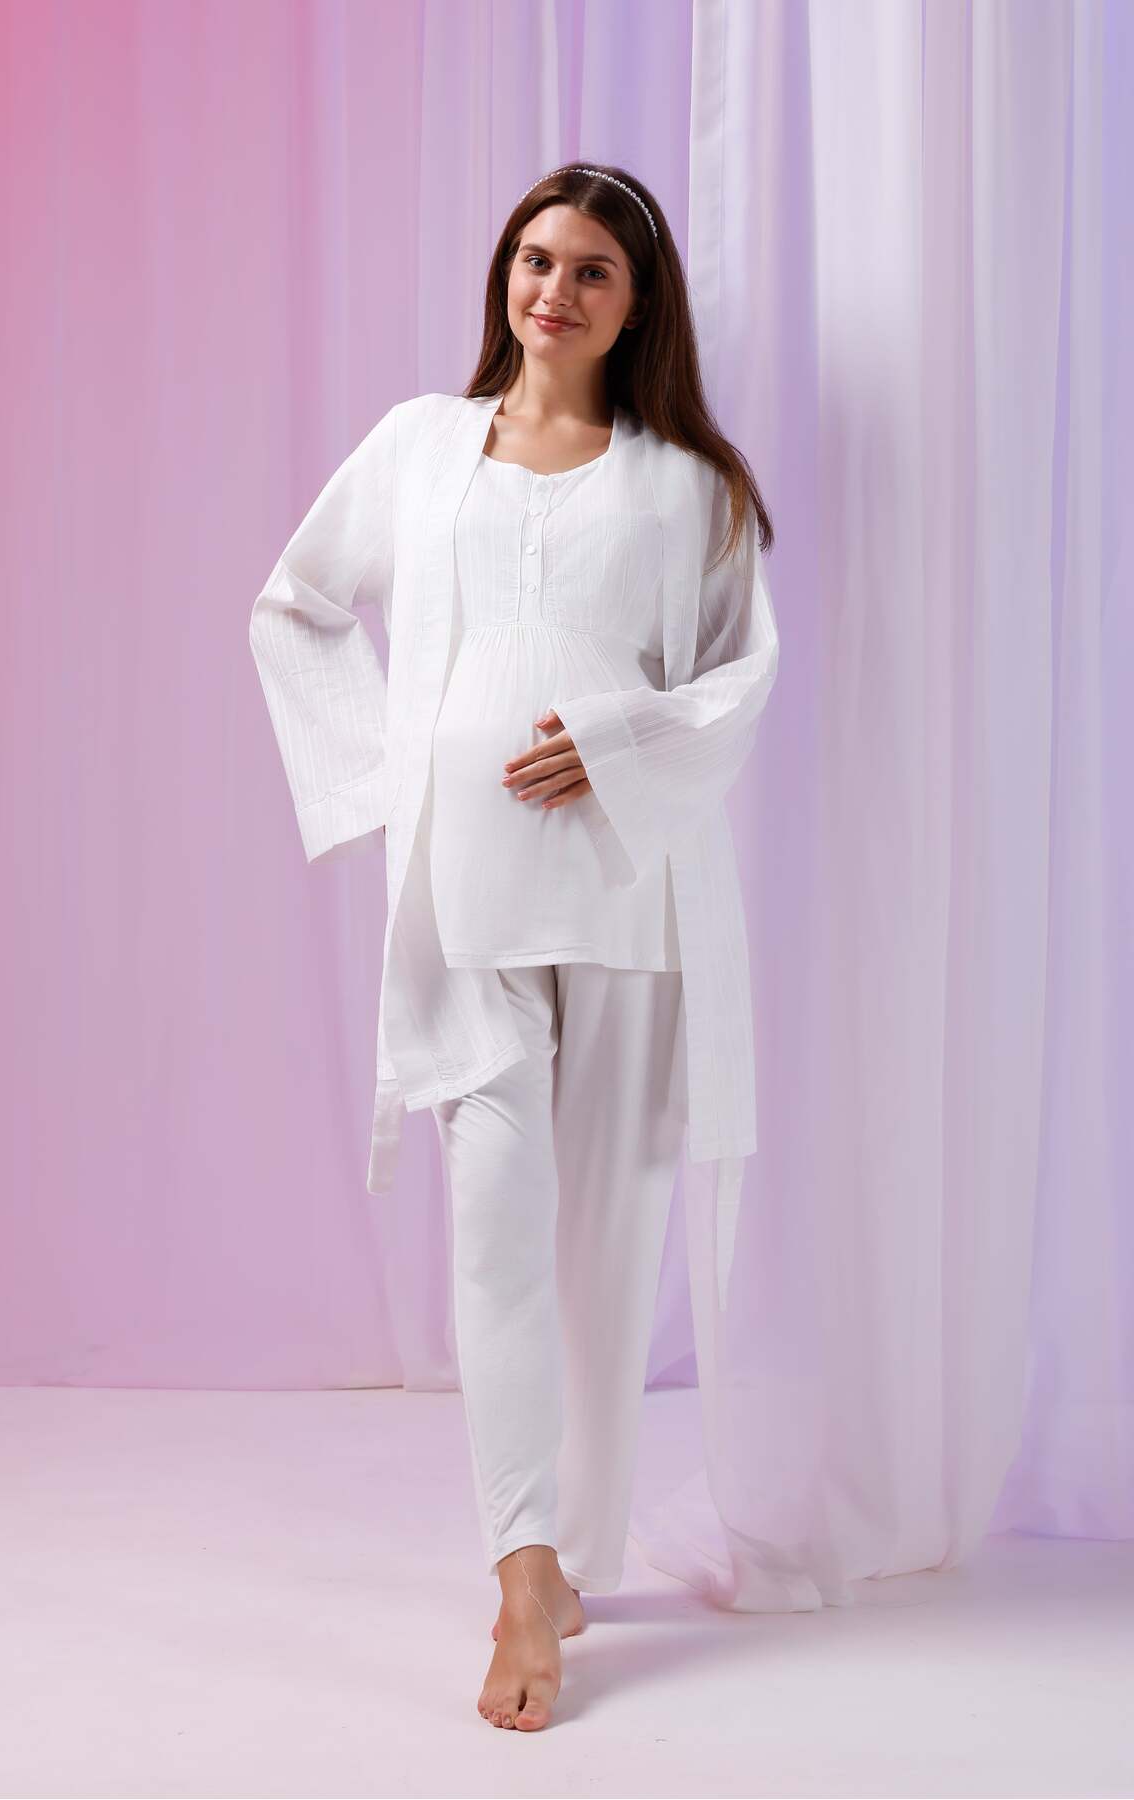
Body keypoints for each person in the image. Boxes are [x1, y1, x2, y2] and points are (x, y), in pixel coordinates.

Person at [249, 163, 779, 1733]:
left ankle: (577, 1552)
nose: (555, 289)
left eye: (593, 269)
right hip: (466, 902)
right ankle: (521, 1564)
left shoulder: (689, 485)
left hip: (628, 904)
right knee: (495, 1233)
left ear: (637, 303)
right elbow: (295, 605)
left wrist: (616, 742)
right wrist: (382, 789)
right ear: (507, 274)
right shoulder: (421, 446)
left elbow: (738, 681)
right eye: (537, 259)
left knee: (604, 1248)